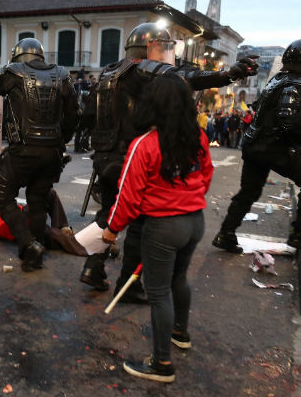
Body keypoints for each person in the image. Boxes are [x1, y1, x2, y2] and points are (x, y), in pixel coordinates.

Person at [80, 22, 256, 300]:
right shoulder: (150, 69)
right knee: (137, 223)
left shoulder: (106, 74)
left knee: (110, 213)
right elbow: (190, 77)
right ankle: (130, 286)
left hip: (104, 155)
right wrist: (228, 76)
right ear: (151, 49)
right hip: (132, 155)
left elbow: (88, 115)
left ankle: (93, 266)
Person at [102, 73, 213, 383]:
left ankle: (162, 363)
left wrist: (112, 230)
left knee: (158, 292)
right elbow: (206, 175)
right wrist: (188, 200)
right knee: (179, 279)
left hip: (163, 227)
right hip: (195, 221)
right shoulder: (199, 138)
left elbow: (128, 195)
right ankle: (181, 333)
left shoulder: (145, 144)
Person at [213, 39, 301, 253]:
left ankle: (226, 234)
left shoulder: (278, 80)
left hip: (255, 144)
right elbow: (289, 122)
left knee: (249, 192)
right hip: (275, 147)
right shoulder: (296, 84)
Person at [0, 38, 80, 271]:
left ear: (18, 56)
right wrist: (62, 139)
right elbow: (75, 113)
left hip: (22, 150)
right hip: (52, 151)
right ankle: (35, 250)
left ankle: (29, 244)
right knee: (38, 200)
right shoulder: (62, 75)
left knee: (2, 196)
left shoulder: (11, 72)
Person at [0, 159, 87, 256]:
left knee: (49, 194)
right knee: (54, 236)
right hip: (19, 228)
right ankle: (87, 246)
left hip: (22, 213)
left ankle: (62, 226)